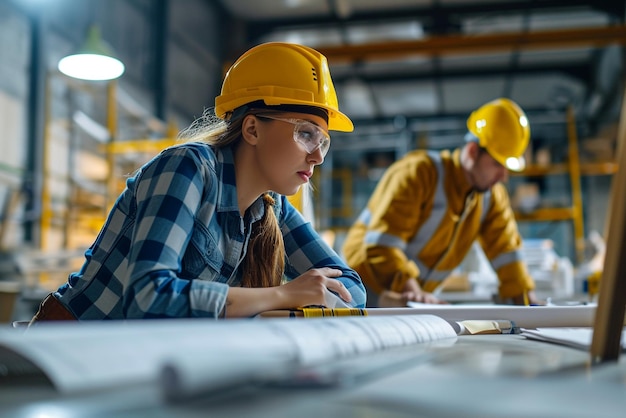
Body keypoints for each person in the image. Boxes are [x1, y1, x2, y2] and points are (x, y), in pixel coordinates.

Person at [30, 42, 366, 322]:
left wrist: (309, 294)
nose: (317, 156)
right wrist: (280, 295)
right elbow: (148, 298)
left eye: (322, 141)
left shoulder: (271, 207)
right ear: (251, 129)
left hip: (134, 363)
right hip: (63, 357)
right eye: (305, 133)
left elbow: (351, 286)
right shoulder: (187, 168)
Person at [342, 98, 539, 307]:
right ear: (472, 151)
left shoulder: (492, 196)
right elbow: (383, 246)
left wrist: (527, 301)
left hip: (410, 297)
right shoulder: (418, 173)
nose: (503, 177)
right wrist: (414, 293)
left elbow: (506, 251)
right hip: (360, 288)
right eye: (497, 164)